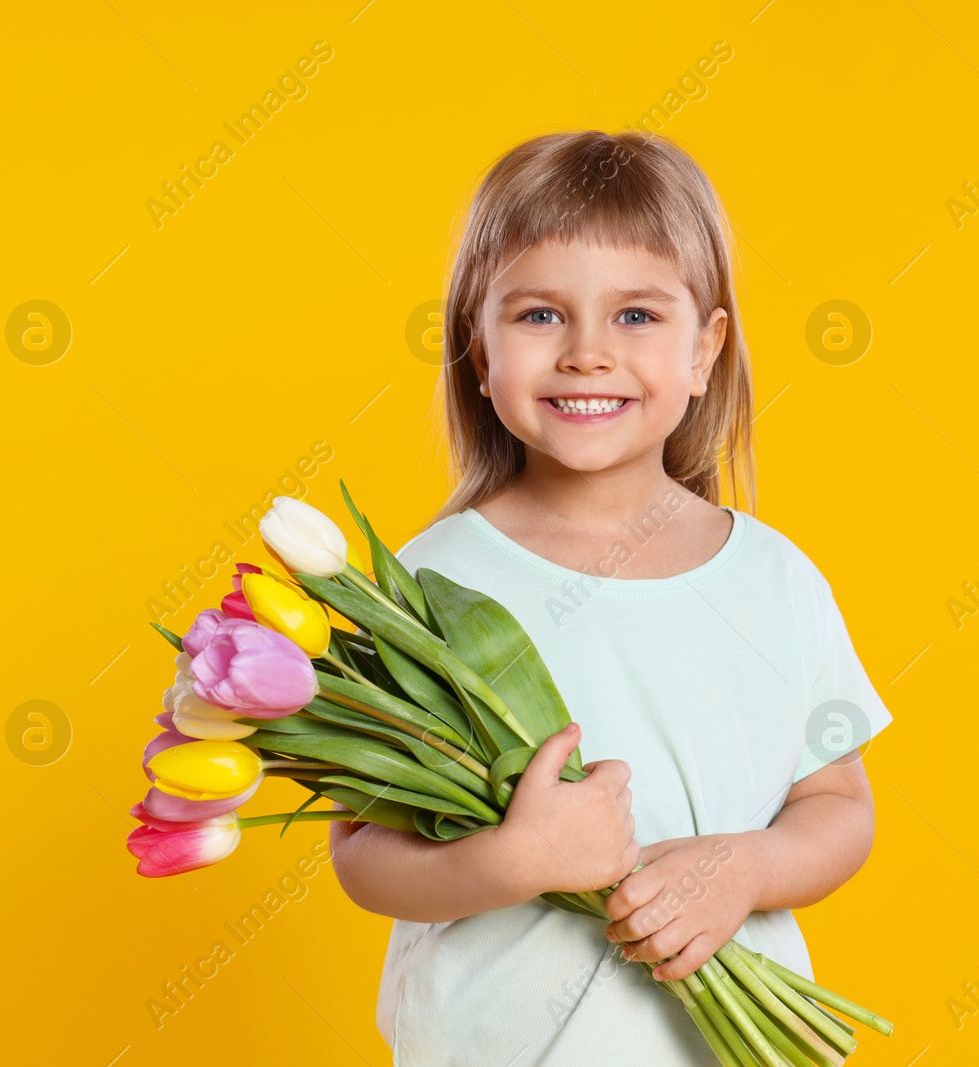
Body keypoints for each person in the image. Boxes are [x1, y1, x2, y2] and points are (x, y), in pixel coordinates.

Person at [328, 129, 893, 1065]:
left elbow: (840, 804)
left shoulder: (774, 579)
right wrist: (518, 862)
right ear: (478, 346)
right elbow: (363, 855)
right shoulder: (425, 588)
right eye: (540, 315)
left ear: (707, 348)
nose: (588, 353)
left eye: (636, 316)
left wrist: (747, 866)